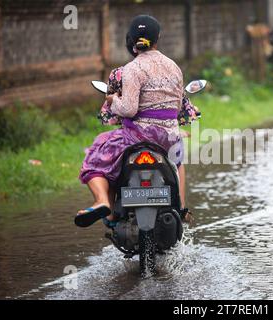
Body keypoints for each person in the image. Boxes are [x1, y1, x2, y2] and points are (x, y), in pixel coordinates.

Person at [75, 15, 197, 228]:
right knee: (178, 161)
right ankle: (180, 208)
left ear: (131, 40)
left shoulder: (132, 69)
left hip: (138, 137)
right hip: (168, 139)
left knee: (97, 152)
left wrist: (113, 100)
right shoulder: (174, 67)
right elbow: (176, 108)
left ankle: (104, 202)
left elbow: (129, 109)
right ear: (158, 37)